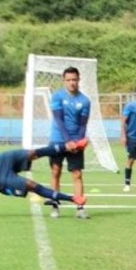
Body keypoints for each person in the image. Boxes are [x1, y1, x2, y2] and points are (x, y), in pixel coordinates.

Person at [49, 66, 91, 219]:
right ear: (63, 81)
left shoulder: (85, 101)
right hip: (58, 140)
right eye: (68, 80)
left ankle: (80, 208)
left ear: (79, 80)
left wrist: (78, 142)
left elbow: (83, 124)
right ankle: (55, 205)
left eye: (74, 79)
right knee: (56, 171)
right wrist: (68, 141)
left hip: (75, 142)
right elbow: (58, 119)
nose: (72, 82)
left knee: (77, 174)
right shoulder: (57, 97)